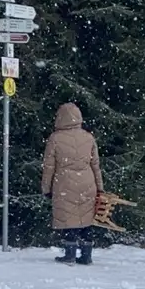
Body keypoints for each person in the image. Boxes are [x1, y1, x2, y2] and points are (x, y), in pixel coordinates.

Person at [41, 102, 104, 266]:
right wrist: (100, 187)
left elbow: (49, 166)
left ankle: (69, 253)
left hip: (64, 182)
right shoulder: (88, 137)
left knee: (69, 219)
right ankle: (86, 254)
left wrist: (46, 188)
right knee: (86, 218)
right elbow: (95, 164)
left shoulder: (55, 138)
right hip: (87, 181)